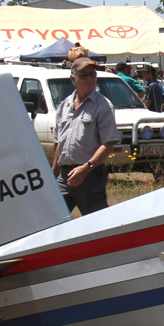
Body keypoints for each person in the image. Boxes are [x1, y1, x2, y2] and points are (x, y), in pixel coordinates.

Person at [52, 57, 119, 216]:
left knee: (97, 224)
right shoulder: (64, 105)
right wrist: (52, 174)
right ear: (73, 78)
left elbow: (108, 144)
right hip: (64, 176)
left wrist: (85, 168)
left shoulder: (103, 105)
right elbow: (59, 144)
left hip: (90, 175)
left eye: (92, 74)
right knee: (53, 221)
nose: (89, 78)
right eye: (84, 75)